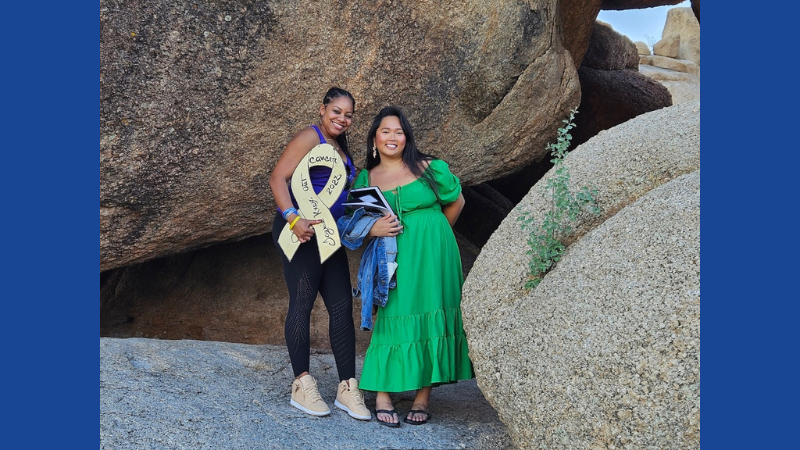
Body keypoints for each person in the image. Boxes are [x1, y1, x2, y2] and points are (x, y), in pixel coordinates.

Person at [352, 106, 474, 427]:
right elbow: (359, 222)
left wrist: (434, 235)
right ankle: (382, 394)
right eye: (385, 132)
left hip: (435, 253)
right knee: (392, 313)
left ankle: (422, 397)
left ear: (407, 138)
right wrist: (374, 229)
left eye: (399, 132)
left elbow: (457, 201)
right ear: (374, 140)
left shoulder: (430, 167)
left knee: (431, 312)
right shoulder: (366, 178)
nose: (393, 137)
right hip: (393, 256)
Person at [268, 87, 371, 421]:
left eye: (348, 114)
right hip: (300, 229)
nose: (342, 118)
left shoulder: (341, 149)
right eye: (337, 111)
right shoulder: (309, 137)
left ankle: (346, 387)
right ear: (323, 109)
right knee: (302, 301)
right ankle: (302, 383)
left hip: (328, 234)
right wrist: (292, 218)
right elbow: (278, 178)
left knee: (341, 305)